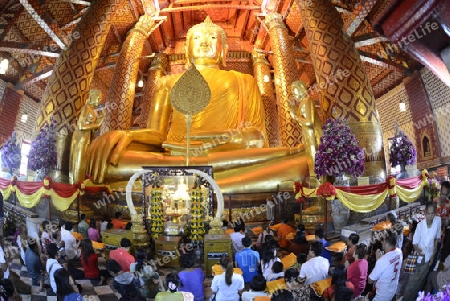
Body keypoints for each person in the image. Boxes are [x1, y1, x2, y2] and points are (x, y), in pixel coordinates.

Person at [84, 16, 309, 193]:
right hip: (174, 157)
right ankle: (214, 184)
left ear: (224, 50)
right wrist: (127, 136)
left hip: (227, 158)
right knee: (114, 160)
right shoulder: (168, 82)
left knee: (298, 162)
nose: (204, 42)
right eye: (197, 38)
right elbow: (156, 134)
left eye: (212, 38)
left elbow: (257, 137)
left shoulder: (244, 80)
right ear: (188, 49)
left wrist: (219, 141)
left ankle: (174, 181)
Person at [403, 201, 441, 300]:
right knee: (410, 284)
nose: (430, 216)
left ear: (435, 213)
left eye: (433, 213)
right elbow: (414, 243)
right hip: (416, 255)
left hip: (428, 257)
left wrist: (433, 256)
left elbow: (437, 239)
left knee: (420, 282)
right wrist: (419, 251)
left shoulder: (438, 221)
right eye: (428, 213)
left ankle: (416, 298)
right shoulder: (420, 226)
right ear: (425, 213)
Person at [69, 88, 105, 184]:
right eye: (98, 98)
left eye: (100, 99)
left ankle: (80, 186)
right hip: (80, 139)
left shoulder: (92, 111)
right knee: (79, 162)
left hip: (86, 139)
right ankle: (76, 186)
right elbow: (81, 126)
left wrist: (99, 121)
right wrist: (97, 124)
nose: (99, 101)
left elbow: (93, 129)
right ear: (92, 96)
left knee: (83, 163)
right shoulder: (86, 108)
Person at [288, 80, 322, 178]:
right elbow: (302, 124)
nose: (294, 94)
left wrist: (295, 116)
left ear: (301, 89)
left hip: (313, 136)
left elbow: (309, 122)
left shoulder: (308, 101)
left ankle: (318, 180)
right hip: (307, 136)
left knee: (314, 159)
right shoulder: (302, 104)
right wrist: (294, 113)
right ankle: (314, 179)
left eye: (295, 90)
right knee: (310, 160)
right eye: (293, 92)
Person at [368, 231, 402, 301]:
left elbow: (370, 281)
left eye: (382, 241)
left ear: (386, 243)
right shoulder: (399, 252)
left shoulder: (382, 261)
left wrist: (378, 261)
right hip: (392, 291)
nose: (381, 243)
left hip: (381, 296)